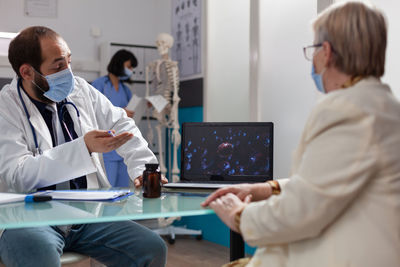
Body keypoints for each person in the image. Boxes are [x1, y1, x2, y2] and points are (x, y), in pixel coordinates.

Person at [202, 2, 400, 267]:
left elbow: (302, 211)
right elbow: (329, 181)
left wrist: (239, 215)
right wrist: (263, 189)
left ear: (326, 52)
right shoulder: (380, 105)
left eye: (313, 49)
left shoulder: (347, 111)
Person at [0, 26, 168, 267]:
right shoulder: (6, 108)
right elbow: (19, 175)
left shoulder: (80, 89)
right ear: (27, 72)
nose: (68, 72)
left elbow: (121, 122)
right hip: (28, 219)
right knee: (40, 258)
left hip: (85, 216)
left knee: (151, 249)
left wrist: (142, 166)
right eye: (58, 66)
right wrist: (84, 148)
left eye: (69, 61)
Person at [92, 49, 137, 187]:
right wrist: (121, 111)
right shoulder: (99, 85)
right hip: (107, 148)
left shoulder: (126, 90)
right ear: (119, 64)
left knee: (123, 192)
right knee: (107, 191)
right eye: (129, 67)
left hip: (123, 146)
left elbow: (130, 115)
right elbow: (92, 111)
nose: (131, 71)